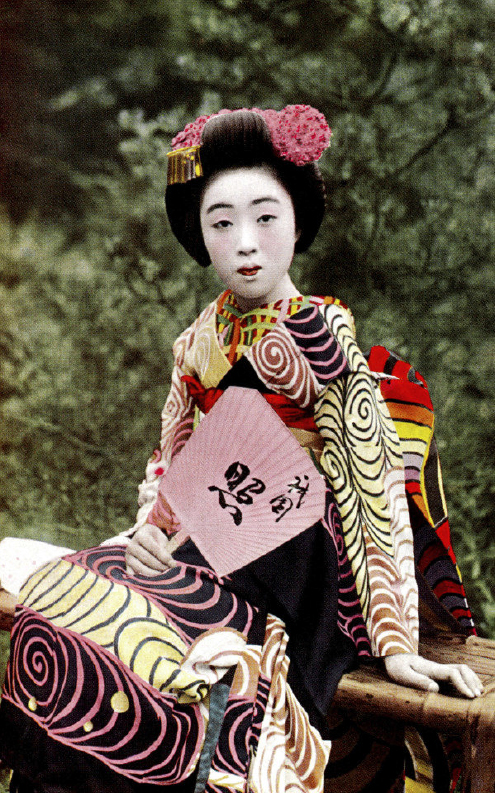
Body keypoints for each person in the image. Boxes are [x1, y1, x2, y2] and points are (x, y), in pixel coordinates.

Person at [0, 106, 483, 793]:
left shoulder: (322, 337)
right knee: (68, 602)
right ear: (200, 236)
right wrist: (151, 531)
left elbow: (370, 485)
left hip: (295, 561)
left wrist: (395, 643)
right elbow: (171, 463)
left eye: (265, 217)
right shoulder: (199, 340)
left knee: (179, 657)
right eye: (221, 223)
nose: (246, 243)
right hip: (203, 540)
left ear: (297, 222)